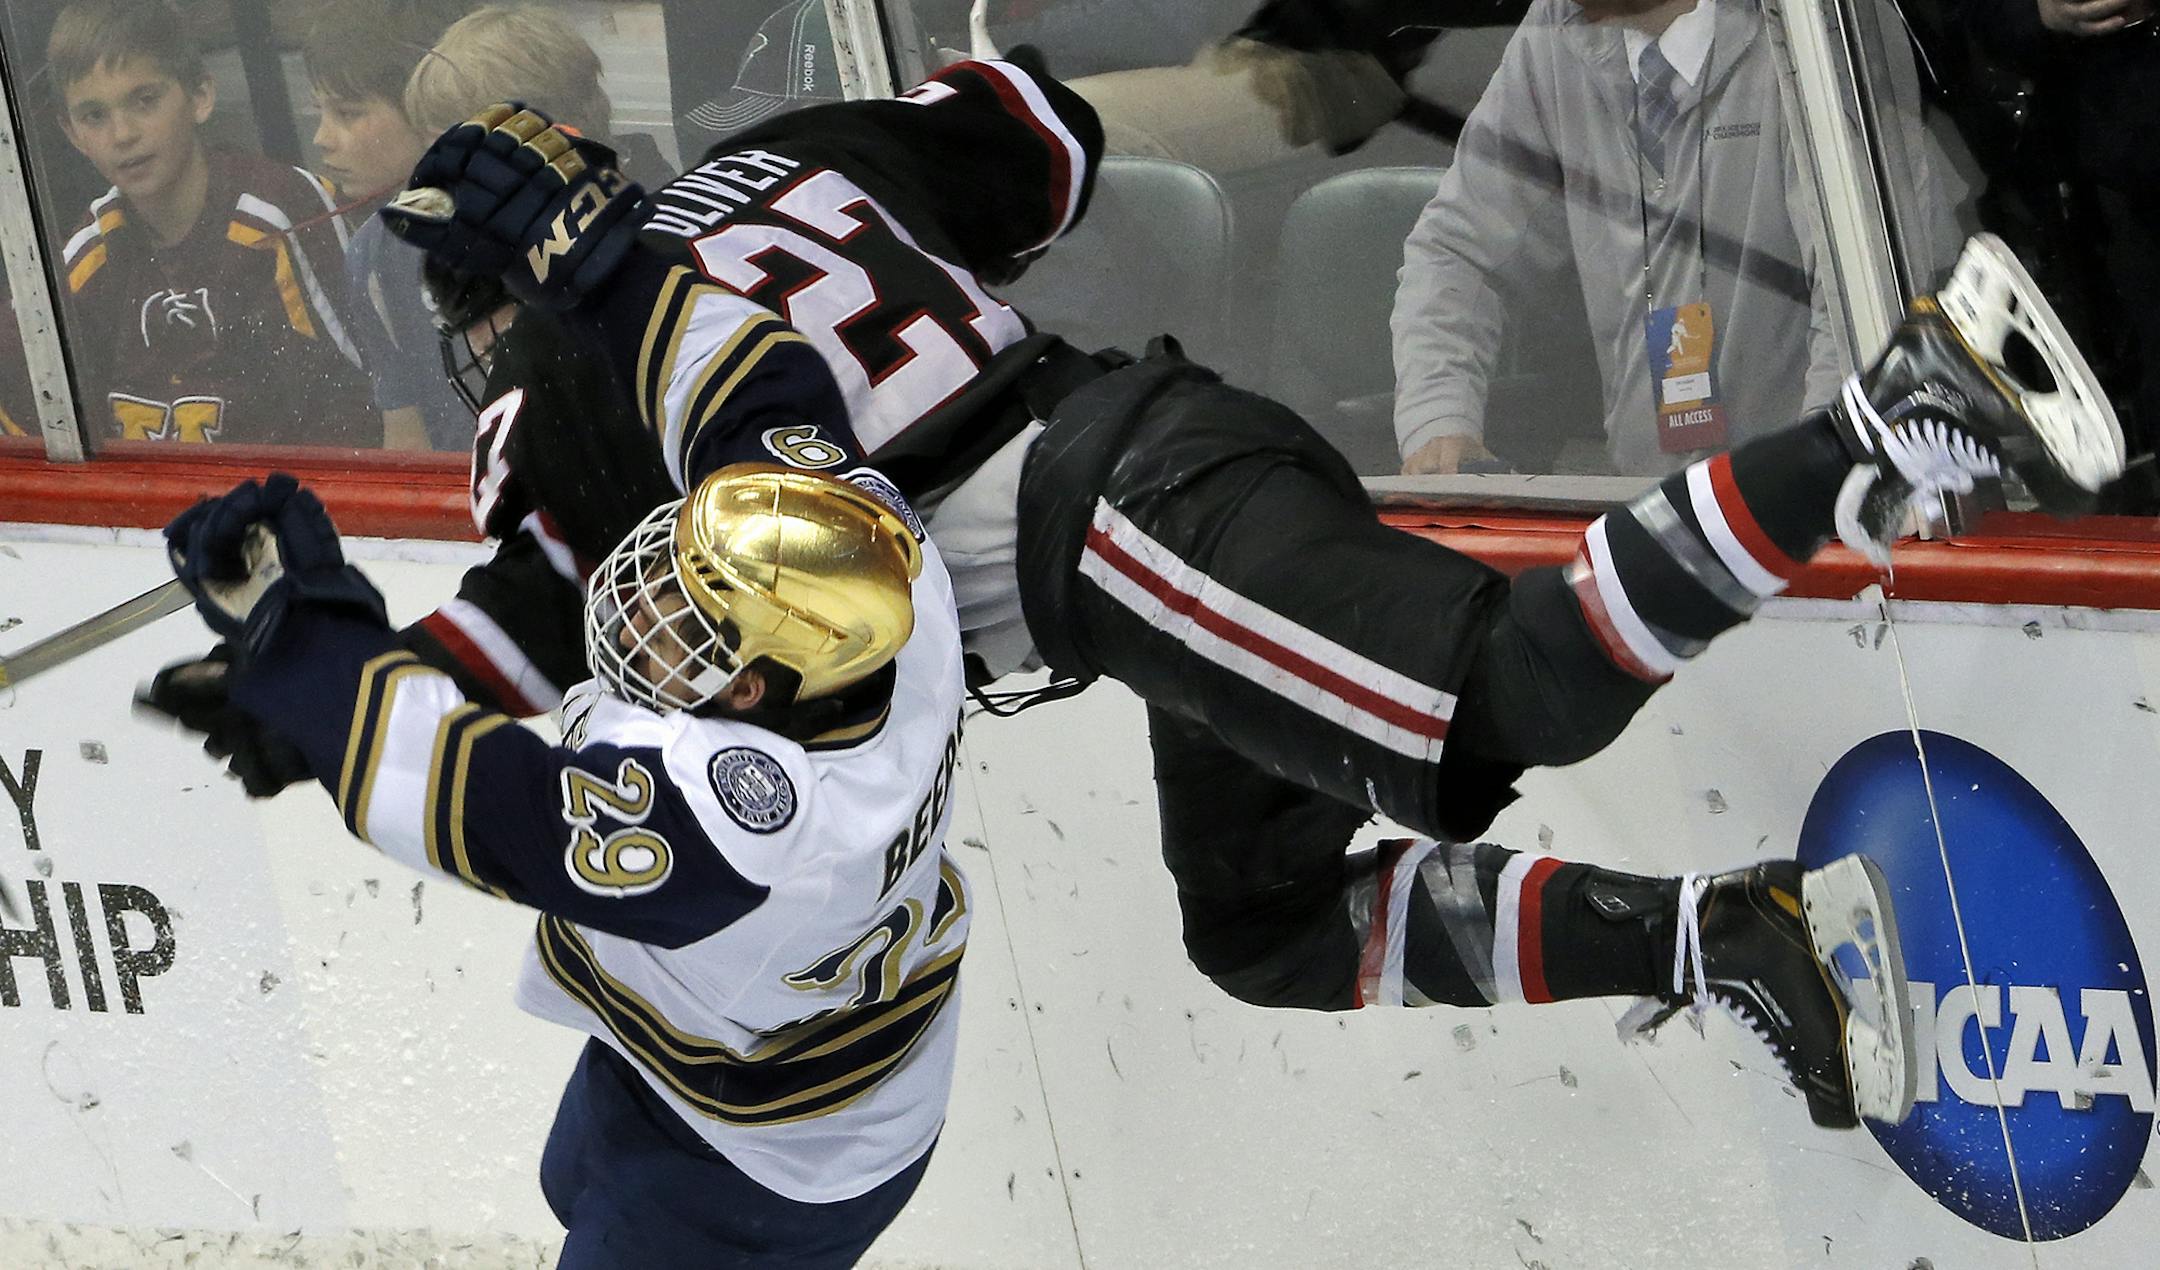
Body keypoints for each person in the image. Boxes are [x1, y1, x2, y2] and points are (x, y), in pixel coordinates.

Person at [367, 54, 2126, 1126]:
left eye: (469, 305)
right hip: (1133, 471)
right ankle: (1734, 934)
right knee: (1266, 928)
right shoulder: (783, 161)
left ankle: (1897, 411)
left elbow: (498, 659)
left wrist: (306, 664)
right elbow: (1036, 139)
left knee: (1493, 702)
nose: (474, 345)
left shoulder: (565, 397)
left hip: (1106, 521)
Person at [157, 464, 968, 1267]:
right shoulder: (892, 589)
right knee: (570, 1183)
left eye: (687, 624)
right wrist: (327, 698)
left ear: (752, 691)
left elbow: (479, 804)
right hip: (696, 1051)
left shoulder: (759, 826)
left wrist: (296, 641)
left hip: (762, 1162)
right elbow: (753, 425)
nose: (642, 608)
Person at [1388, 0, 1869, 477]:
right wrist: (1440, 423)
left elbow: (1866, 292)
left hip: (1807, 527)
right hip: (1630, 519)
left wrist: (1820, 476)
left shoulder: (1817, 25)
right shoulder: (1554, 31)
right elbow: (1458, 250)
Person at [46, 0, 377, 447]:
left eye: (145, 100)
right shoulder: (91, 250)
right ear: (71, 134)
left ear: (200, 97)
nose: (122, 134)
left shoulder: (281, 214)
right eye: (94, 116)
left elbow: (370, 399)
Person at [302, 0, 474, 451]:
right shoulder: (372, 255)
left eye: (348, 113)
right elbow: (406, 436)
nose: (321, 137)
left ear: (427, 109)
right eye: (320, 111)